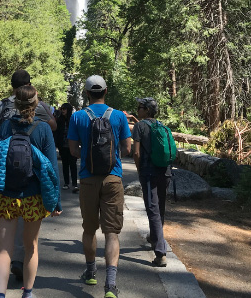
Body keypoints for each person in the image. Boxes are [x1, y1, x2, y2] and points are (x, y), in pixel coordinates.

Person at [0, 84, 61, 298]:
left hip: (5, 195)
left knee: (4, 251)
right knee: (31, 247)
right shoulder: (43, 129)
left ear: (15, 103)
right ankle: (28, 293)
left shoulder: (5, 127)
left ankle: (0, 295)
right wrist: (56, 201)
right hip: (33, 197)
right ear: (36, 104)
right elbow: (51, 168)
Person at [68, 75, 132, 298]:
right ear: (106, 91)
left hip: (87, 179)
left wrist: (87, 154)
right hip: (113, 179)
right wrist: (113, 157)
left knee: (89, 229)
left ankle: (91, 271)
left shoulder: (77, 117)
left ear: (87, 94)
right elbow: (127, 147)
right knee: (112, 233)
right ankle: (111, 285)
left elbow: (73, 150)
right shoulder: (118, 116)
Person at [131, 97, 171, 266]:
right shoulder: (162, 125)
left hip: (149, 172)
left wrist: (140, 170)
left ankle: (161, 253)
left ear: (147, 110)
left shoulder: (140, 126)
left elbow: (136, 153)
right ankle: (155, 238)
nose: (137, 109)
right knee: (159, 207)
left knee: (152, 209)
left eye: (140, 107)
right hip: (166, 172)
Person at [54, 103, 78, 192]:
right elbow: (56, 132)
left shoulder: (73, 120)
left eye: (64, 109)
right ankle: (66, 183)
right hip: (63, 145)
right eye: (62, 109)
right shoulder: (59, 120)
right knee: (65, 164)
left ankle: (75, 184)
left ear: (68, 110)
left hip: (72, 146)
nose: (63, 110)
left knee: (73, 165)